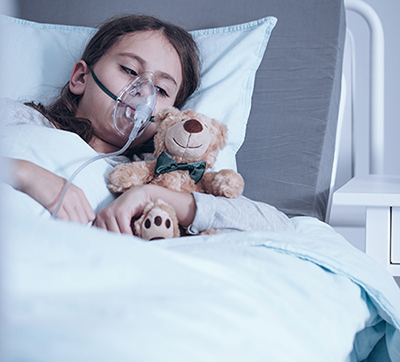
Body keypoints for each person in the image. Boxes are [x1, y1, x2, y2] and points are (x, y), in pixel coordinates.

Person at [3, 14, 294, 234]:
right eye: (129, 70)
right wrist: (23, 172)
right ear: (81, 78)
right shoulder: (19, 118)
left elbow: (278, 226)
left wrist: (151, 194)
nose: (144, 92)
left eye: (163, 90)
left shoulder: (152, 175)